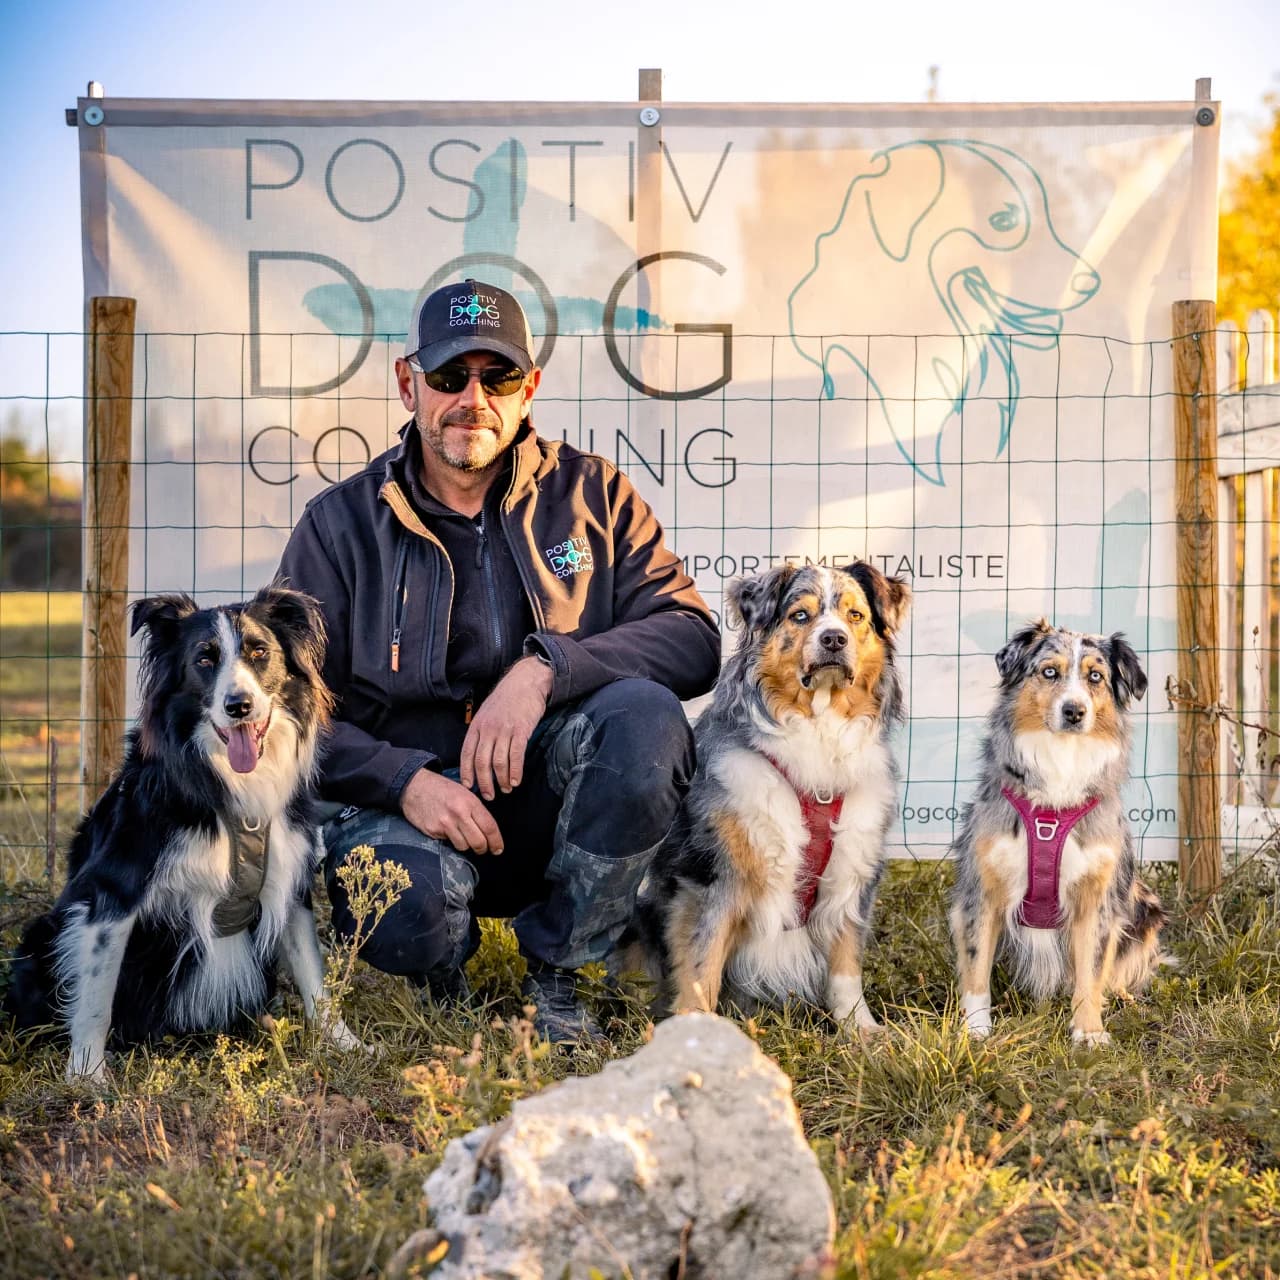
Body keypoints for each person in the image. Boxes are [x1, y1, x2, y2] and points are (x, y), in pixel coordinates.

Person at [277, 278, 720, 1043]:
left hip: (549, 799)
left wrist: (545, 668)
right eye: (449, 377)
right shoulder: (338, 526)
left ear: (530, 388)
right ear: (408, 383)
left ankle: (561, 973)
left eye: (498, 377)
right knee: (403, 914)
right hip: (407, 809)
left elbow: (691, 635)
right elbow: (287, 708)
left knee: (646, 721)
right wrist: (402, 780)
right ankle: (444, 964)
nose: (471, 399)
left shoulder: (595, 494)